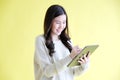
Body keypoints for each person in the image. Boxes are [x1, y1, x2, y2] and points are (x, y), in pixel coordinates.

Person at [34, 4, 90, 80]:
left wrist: (84, 64)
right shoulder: (41, 40)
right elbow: (47, 71)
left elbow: (73, 72)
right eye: (58, 22)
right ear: (49, 22)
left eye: (64, 22)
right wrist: (70, 57)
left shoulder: (68, 41)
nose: (61, 26)